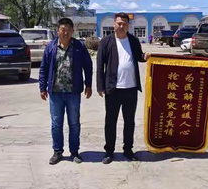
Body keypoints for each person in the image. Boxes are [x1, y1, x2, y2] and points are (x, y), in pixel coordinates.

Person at [97, 12, 150, 164]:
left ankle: (128, 150)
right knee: (110, 121)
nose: (121, 26)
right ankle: (109, 151)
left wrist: (145, 57)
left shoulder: (133, 40)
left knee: (129, 121)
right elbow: (100, 65)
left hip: (130, 88)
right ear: (114, 24)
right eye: (119, 23)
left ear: (128, 25)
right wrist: (100, 86)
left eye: (124, 24)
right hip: (113, 89)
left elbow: (138, 56)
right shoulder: (106, 42)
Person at [39, 18, 93, 165]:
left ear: (73, 30)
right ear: (58, 31)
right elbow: (43, 68)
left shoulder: (79, 47)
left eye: (68, 29)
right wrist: (42, 87)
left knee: (74, 123)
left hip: (73, 93)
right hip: (55, 93)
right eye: (63, 29)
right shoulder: (51, 47)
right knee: (56, 123)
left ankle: (74, 152)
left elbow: (88, 66)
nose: (66, 32)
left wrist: (88, 84)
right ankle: (57, 152)